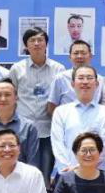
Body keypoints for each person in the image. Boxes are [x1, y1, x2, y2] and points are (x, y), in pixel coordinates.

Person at [8, 26, 65, 183]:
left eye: (40, 40)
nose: (37, 43)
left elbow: (61, 99)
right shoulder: (16, 69)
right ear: (26, 46)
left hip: (49, 130)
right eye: (32, 40)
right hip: (22, 130)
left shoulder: (59, 69)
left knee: (44, 177)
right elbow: (11, 97)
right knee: (22, 176)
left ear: (46, 43)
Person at [49, 66, 105, 176]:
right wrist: (69, 168)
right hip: (67, 173)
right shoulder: (60, 112)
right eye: (80, 78)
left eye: (89, 78)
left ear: (97, 84)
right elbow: (57, 144)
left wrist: (81, 168)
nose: (85, 82)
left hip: (97, 175)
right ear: (72, 84)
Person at [48, 40, 102, 113]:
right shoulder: (60, 78)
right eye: (76, 53)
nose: (79, 56)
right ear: (70, 57)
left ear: (90, 56)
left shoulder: (100, 79)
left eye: (83, 53)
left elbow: (102, 105)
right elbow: (52, 105)